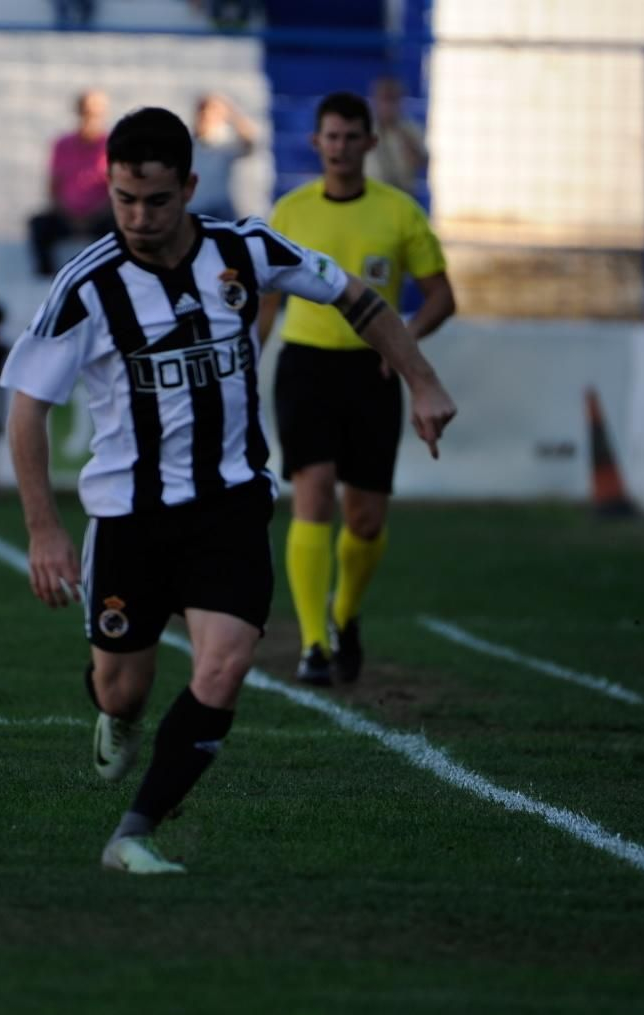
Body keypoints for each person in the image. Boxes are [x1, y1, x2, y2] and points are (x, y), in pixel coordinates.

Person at [0, 106, 456, 874]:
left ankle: (133, 833)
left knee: (225, 663)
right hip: (130, 517)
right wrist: (44, 529)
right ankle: (117, 714)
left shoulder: (243, 247)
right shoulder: (87, 286)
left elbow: (356, 296)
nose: (139, 218)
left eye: (156, 200)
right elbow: (26, 408)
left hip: (230, 505)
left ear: (190, 186)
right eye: (123, 199)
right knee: (122, 687)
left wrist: (424, 380)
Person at [256, 91, 456, 687]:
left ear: (371, 143)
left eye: (351, 137)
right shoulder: (289, 213)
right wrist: (246, 362)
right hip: (306, 368)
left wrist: (403, 342)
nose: (339, 148)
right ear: (315, 143)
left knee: (364, 518)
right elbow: (267, 303)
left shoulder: (399, 212)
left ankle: (345, 615)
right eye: (330, 137)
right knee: (312, 494)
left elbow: (442, 296)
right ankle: (314, 643)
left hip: (373, 375)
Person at [28, 90, 114, 277]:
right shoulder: (62, 144)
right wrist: (68, 215)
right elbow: (53, 186)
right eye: (85, 112)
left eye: (94, 113)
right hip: (66, 217)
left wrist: (94, 216)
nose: (89, 118)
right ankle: (47, 278)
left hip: (101, 217)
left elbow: (116, 190)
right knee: (38, 225)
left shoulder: (112, 145)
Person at [190, 92, 256, 220]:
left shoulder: (225, 144)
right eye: (203, 112)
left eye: (213, 114)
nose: (207, 117)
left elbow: (249, 145)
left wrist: (234, 116)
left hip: (220, 210)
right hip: (195, 209)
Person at [364, 77, 428, 197]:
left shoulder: (411, 130)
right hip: (371, 194)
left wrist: (406, 142)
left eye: (392, 100)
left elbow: (423, 161)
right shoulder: (363, 129)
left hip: (402, 193)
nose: (387, 106)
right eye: (384, 99)